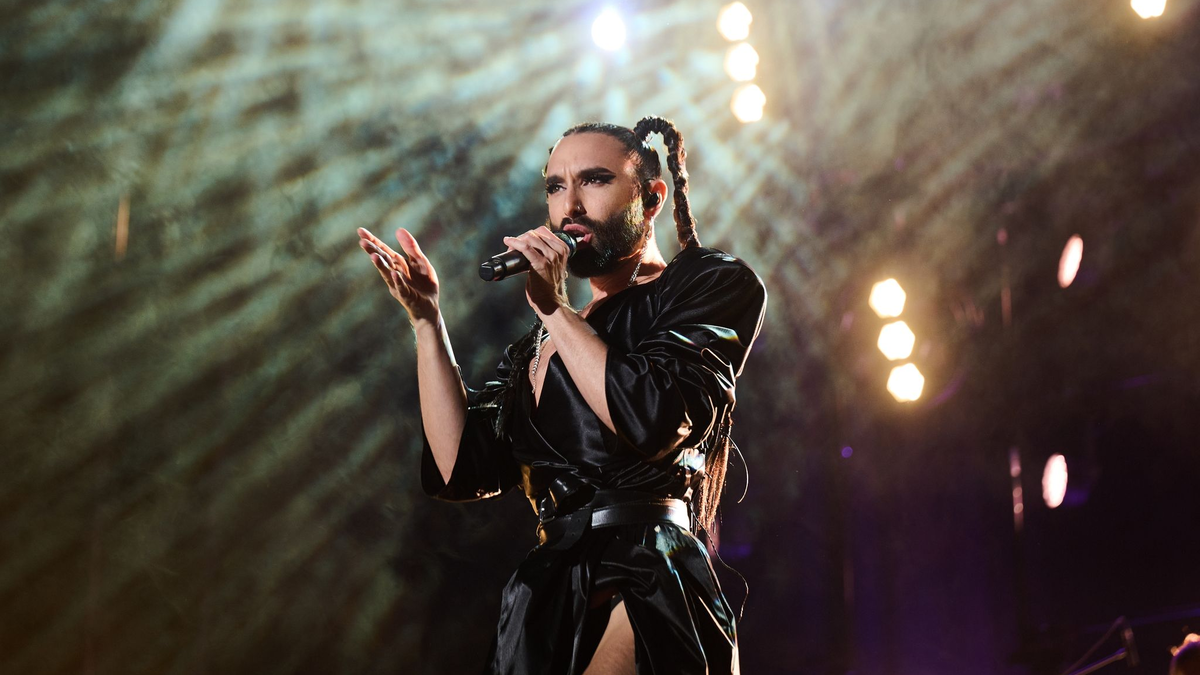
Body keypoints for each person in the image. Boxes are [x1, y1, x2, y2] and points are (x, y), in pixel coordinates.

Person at [358, 116, 766, 674]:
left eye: (594, 180)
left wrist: (554, 308)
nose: (569, 204)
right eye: (555, 186)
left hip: (647, 579)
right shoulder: (540, 343)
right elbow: (461, 468)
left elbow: (652, 416)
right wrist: (428, 322)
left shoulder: (708, 284)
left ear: (651, 199)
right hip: (549, 595)